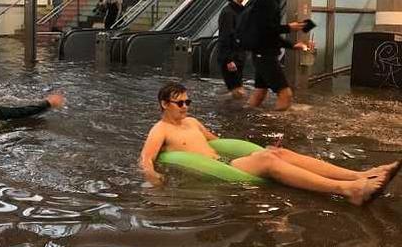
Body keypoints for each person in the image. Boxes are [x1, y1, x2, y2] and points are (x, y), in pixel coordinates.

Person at [140, 83, 400, 205]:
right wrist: (156, 183)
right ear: (165, 104)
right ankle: (347, 190)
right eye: (180, 103)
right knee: (267, 160)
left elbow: (219, 143)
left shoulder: (193, 122)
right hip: (214, 172)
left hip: (224, 161)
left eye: (188, 102)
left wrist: (260, 150)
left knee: (278, 152)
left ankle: (362, 174)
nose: (185, 107)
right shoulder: (160, 129)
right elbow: (146, 160)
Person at [247, 0, 311, 111]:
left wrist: (293, 45)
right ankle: (275, 127)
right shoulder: (268, 2)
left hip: (261, 54)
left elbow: (270, 34)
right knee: (286, 95)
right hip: (265, 56)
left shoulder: (266, 0)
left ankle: (244, 119)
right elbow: (267, 30)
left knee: (259, 93)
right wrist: (289, 27)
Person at [218, 0, 249, 99]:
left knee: (236, 90)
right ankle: (226, 112)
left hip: (239, 56)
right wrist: (229, 60)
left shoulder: (243, 10)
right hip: (230, 58)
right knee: (238, 91)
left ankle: (229, 111)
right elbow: (225, 37)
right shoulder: (228, 12)